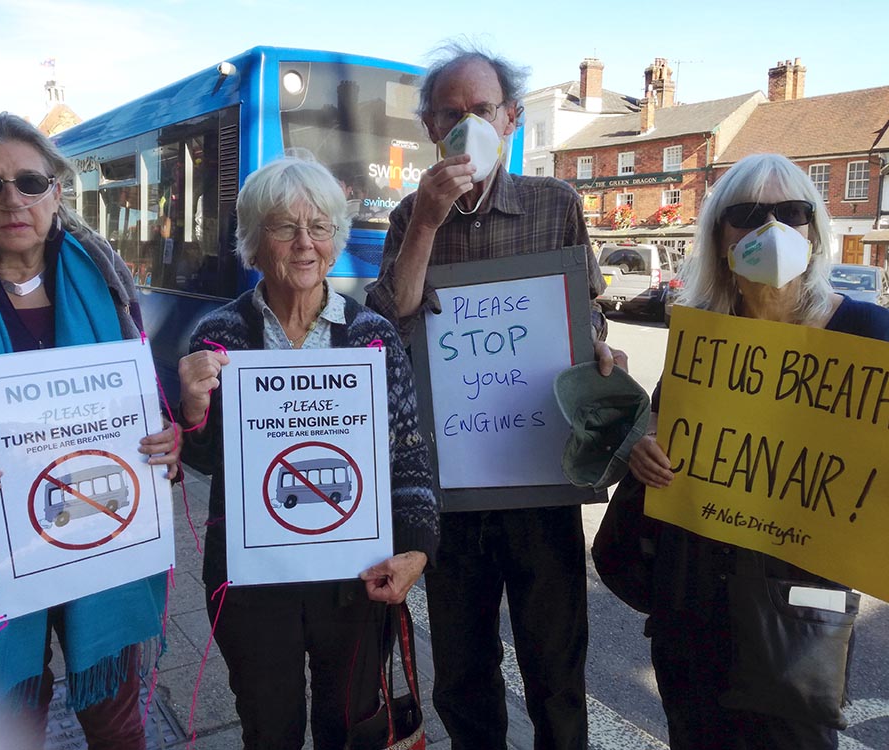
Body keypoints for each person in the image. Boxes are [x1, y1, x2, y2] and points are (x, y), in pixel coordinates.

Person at [0, 112, 181, 749]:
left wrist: (165, 434)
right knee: (11, 719)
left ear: (56, 191)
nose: (13, 199)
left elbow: (144, 394)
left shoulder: (104, 279)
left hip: (101, 534)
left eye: (30, 181)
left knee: (115, 717)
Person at [365, 42, 623, 750]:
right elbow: (392, 319)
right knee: (464, 674)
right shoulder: (407, 218)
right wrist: (425, 218)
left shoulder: (555, 203)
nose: (465, 124)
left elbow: (586, 309)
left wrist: (595, 343)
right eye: (449, 115)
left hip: (540, 477)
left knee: (555, 671)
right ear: (429, 131)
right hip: (454, 488)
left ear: (509, 118)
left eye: (480, 110)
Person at [628, 152, 889, 750]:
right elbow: (662, 433)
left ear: (813, 229)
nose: (770, 230)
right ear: (719, 236)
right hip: (694, 603)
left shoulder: (868, 334)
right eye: (746, 214)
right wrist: (644, 450)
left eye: (790, 212)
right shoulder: (700, 334)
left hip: (799, 612)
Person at [178, 156, 439, 750]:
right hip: (251, 581)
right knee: (269, 728)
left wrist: (418, 549)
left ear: (335, 239)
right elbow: (207, 460)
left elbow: (408, 456)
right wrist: (192, 412)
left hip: (351, 575)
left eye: (319, 227)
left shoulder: (371, 337)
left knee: (350, 728)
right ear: (253, 240)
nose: (304, 243)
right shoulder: (219, 335)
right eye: (283, 227)